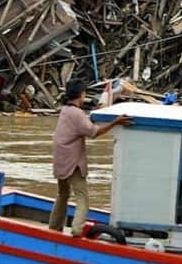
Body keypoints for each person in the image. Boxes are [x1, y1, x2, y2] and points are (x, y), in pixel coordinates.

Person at [49, 80, 132, 236]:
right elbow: (94, 132)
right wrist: (115, 122)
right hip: (72, 161)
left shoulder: (66, 110)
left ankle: (54, 228)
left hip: (60, 158)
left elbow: (83, 125)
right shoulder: (77, 113)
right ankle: (76, 229)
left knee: (63, 194)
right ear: (82, 94)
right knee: (82, 198)